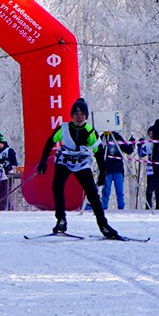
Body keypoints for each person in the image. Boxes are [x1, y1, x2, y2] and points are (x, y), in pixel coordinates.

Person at [34, 98, 125, 239]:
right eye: (76, 113)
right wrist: (43, 161)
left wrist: (102, 172)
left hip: (81, 163)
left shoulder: (89, 131)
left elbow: (99, 152)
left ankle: (103, 225)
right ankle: (61, 220)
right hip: (64, 161)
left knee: (92, 193)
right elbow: (50, 142)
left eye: (82, 113)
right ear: (72, 115)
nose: (79, 116)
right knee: (57, 186)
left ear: (86, 116)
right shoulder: (64, 128)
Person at [98, 131, 128, 210]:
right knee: (106, 189)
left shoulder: (117, 137)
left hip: (118, 168)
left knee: (119, 190)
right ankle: (104, 206)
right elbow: (98, 149)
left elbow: (127, 149)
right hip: (107, 168)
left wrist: (131, 144)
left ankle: (121, 207)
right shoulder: (103, 137)